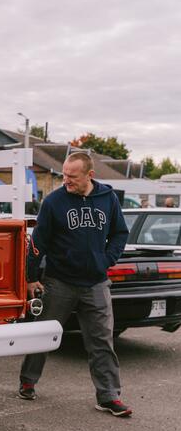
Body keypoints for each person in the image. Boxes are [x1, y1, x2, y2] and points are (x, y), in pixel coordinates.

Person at [18, 152, 132, 417]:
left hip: (96, 283)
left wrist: (106, 260)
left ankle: (109, 397)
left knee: (102, 341)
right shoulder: (54, 201)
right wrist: (31, 277)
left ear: (89, 175)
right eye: (64, 174)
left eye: (72, 176)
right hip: (59, 282)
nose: (66, 180)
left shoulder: (108, 199)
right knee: (42, 335)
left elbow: (119, 233)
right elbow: (39, 241)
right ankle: (28, 381)